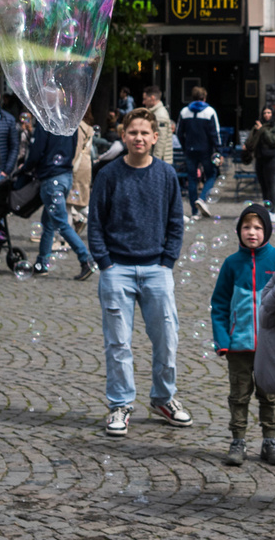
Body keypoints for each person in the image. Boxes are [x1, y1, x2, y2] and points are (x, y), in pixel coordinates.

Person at [86, 107, 189, 436]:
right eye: (133, 132)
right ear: (123, 136)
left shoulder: (166, 174)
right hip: (117, 269)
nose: (139, 138)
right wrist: (104, 262)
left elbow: (176, 221)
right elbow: (95, 223)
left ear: (156, 137)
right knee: (118, 343)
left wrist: (168, 260)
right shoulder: (108, 175)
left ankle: (163, 397)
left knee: (167, 340)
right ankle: (120, 404)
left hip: (157, 269)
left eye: (145, 133)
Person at [209, 203, 275, 467]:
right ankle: (238, 440)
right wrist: (222, 340)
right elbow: (219, 304)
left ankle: (270, 440)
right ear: (238, 231)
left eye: (257, 227)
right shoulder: (232, 264)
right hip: (238, 346)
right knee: (239, 395)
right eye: (246, 227)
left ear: (267, 230)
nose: (251, 232)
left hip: (270, 346)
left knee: (269, 395)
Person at [26, 120, 94, 280]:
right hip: (65, 176)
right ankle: (41, 263)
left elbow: (36, 152)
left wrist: (25, 168)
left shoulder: (46, 123)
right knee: (48, 223)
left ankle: (86, 259)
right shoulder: (69, 123)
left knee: (61, 223)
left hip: (51, 178)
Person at [176, 86, 222, 219]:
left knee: (192, 179)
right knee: (211, 174)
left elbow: (179, 132)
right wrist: (219, 150)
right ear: (204, 97)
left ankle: (194, 212)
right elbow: (215, 133)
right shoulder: (209, 111)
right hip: (206, 150)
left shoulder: (184, 111)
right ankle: (202, 199)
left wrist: (185, 146)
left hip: (190, 150)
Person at [243, 107, 275, 216]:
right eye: (264, 113)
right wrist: (246, 145)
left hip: (271, 159)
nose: (266, 115)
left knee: (270, 185)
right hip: (260, 158)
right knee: (263, 185)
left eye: (269, 112)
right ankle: (267, 209)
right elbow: (252, 139)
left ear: (272, 114)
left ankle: (273, 212)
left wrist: (262, 130)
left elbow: (274, 141)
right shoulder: (258, 126)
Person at [142, 86, 175, 166]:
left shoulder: (160, 115)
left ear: (152, 98)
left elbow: (160, 141)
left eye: (145, 99)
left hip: (161, 162)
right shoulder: (157, 113)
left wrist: (155, 162)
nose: (143, 102)